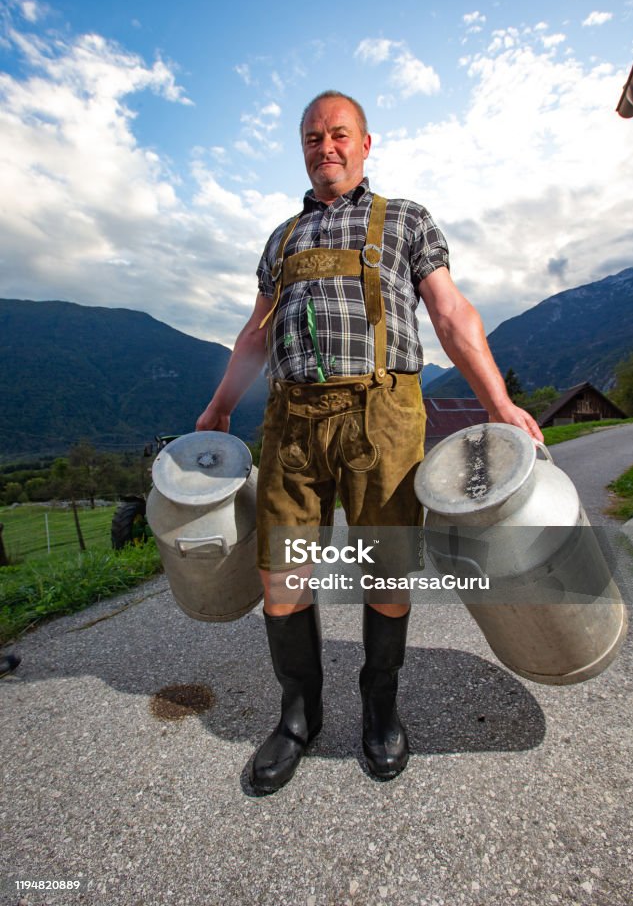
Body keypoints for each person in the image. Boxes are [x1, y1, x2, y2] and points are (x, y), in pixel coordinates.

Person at [197, 90, 542, 793]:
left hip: (382, 414)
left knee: (385, 571)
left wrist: (498, 401)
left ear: (365, 142)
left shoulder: (407, 220)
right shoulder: (281, 239)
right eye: (313, 138)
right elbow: (256, 335)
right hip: (291, 422)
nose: (326, 147)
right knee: (281, 577)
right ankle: (299, 716)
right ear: (303, 148)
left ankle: (380, 708)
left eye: (339, 135)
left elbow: (450, 312)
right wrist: (218, 405)